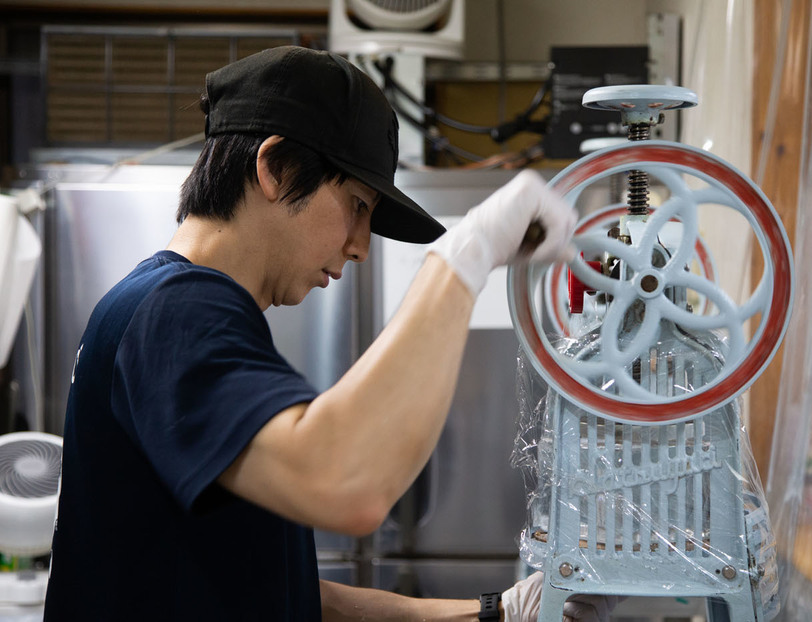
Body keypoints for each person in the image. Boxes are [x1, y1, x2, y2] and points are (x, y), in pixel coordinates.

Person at [44, 46, 615, 621]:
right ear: (276, 168)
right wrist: (462, 257)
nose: (361, 246)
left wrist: (494, 613)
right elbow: (349, 486)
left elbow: (271, 585)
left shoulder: (154, 305)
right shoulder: (178, 309)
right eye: (357, 206)